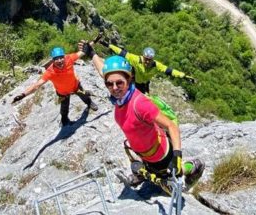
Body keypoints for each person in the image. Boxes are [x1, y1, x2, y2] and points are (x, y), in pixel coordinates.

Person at [84, 47, 203, 192]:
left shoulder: (139, 103)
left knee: (171, 186)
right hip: (141, 153)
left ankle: (193, 165)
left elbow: (171, 125)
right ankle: (143, 173)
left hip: (160, 154)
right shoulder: (120, 98)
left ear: (129, 79)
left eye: (119, 83)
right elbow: (105, 72)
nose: (114, 88)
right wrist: (92, 54)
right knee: (144, 167)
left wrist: (177, 156)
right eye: (109, 84)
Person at [12, 46, 97, 126]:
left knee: (83, 95)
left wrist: (93, 42)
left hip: (75, 85)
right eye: (56, 59)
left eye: (61, 57)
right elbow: (37, 85)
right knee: (64, 106)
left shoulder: (69, 59)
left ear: (64, 57)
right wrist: (23, 95)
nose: (59, 60)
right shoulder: (50, 72)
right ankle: (64, 119)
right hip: (63, 92)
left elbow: (82, 51)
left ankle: (89, 103)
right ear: (53, 60)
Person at [99, 40, 195, 95]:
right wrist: (108, 45)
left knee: (146, 97)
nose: (147, 61)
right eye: (146, 59)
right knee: (135, 96)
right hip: (135, 82)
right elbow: (122, 52)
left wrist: (184, 76)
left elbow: (170, 70)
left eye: (150, 59)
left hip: (145, 83)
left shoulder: (156, 65)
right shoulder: (136, 59)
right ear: (143, 57)